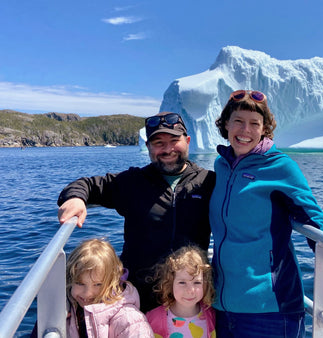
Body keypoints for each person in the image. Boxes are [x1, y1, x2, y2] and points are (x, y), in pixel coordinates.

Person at [209, 89, 323, 338]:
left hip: (270, 309)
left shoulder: (280, 167)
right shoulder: (222, 165)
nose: (245, 130)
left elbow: (315, 222)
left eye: (254, 123)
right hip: (223, 307)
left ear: (265, 129)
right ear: (226, 124)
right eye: (238, 121)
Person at [57, 112, 216, 312]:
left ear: (188, 141)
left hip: (190, 298)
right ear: (148, 146)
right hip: (139, 300)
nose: (167, 149)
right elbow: (87, 185)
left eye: (174, 140)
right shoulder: (134, 182)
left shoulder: (208, 182)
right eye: (158, 143)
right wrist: (75, 198)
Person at [65, 238, 153, 337]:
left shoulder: (128, 319)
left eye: (98, 284)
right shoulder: (68, 305)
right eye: (79, 283)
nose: (87, 293)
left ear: (113, 282)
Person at [146, 245, 216, 338]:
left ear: (205, 283)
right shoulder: (154, 318)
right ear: (171, 283)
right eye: (182, 282)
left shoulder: (210, 313)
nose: (190, 290)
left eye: (197, 282)